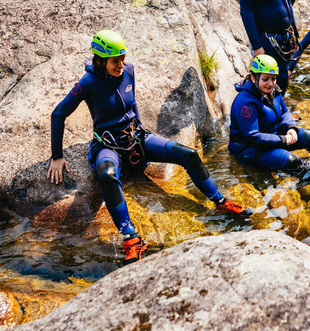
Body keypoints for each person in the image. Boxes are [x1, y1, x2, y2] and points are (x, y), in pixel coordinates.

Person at [48, 30, 250, 264]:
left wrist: (139, 137)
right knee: (107, 174)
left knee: (189, 154)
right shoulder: (87, 83)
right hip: (108, 147)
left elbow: (130, 108)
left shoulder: (129, 71)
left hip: (137, 139)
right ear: (101, 60)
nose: (121, 65)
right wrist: (56, 156)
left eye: (123, 58)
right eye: (115, 61)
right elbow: (58, 114)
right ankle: (131, 237)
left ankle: (220, 202)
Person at [229, 54, 310, 175]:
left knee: (309, 136)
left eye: (273, 79)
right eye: (265, 79)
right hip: (248, 148)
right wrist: (283, 140)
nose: (270, 83)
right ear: (253, 78)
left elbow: (284, 112)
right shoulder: (245, 103)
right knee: (291, 161)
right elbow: (253, 137)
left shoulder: (273, 90)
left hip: (274, 136)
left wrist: (290, 128)